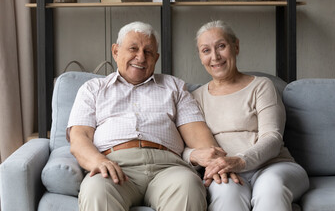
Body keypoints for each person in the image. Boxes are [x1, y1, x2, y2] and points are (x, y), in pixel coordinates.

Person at [67, 21, 224, 211]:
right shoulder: (93, 89)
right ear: (116, 51)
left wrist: (216, 161)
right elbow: (79, 138)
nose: (140, 57)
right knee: (96, 189)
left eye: (148, 52)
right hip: (115, 165)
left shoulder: (174, 87)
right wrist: (99, 161)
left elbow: (198, 135)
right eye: (133, 49)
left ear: (156, 57)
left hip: (168, 167)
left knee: (189, 185)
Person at [184, 20, 309, 211]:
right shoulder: (195, 98)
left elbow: (273, 138)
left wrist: (239, 161)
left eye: (221, 46)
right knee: (225, 194)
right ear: (200, 57)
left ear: (236, 46)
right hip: (226, 173)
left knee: (270, 188)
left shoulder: (261, 86)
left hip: (274, 166)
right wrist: (195, 156)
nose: (215, 57)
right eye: (206, 50)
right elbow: (184, 148)